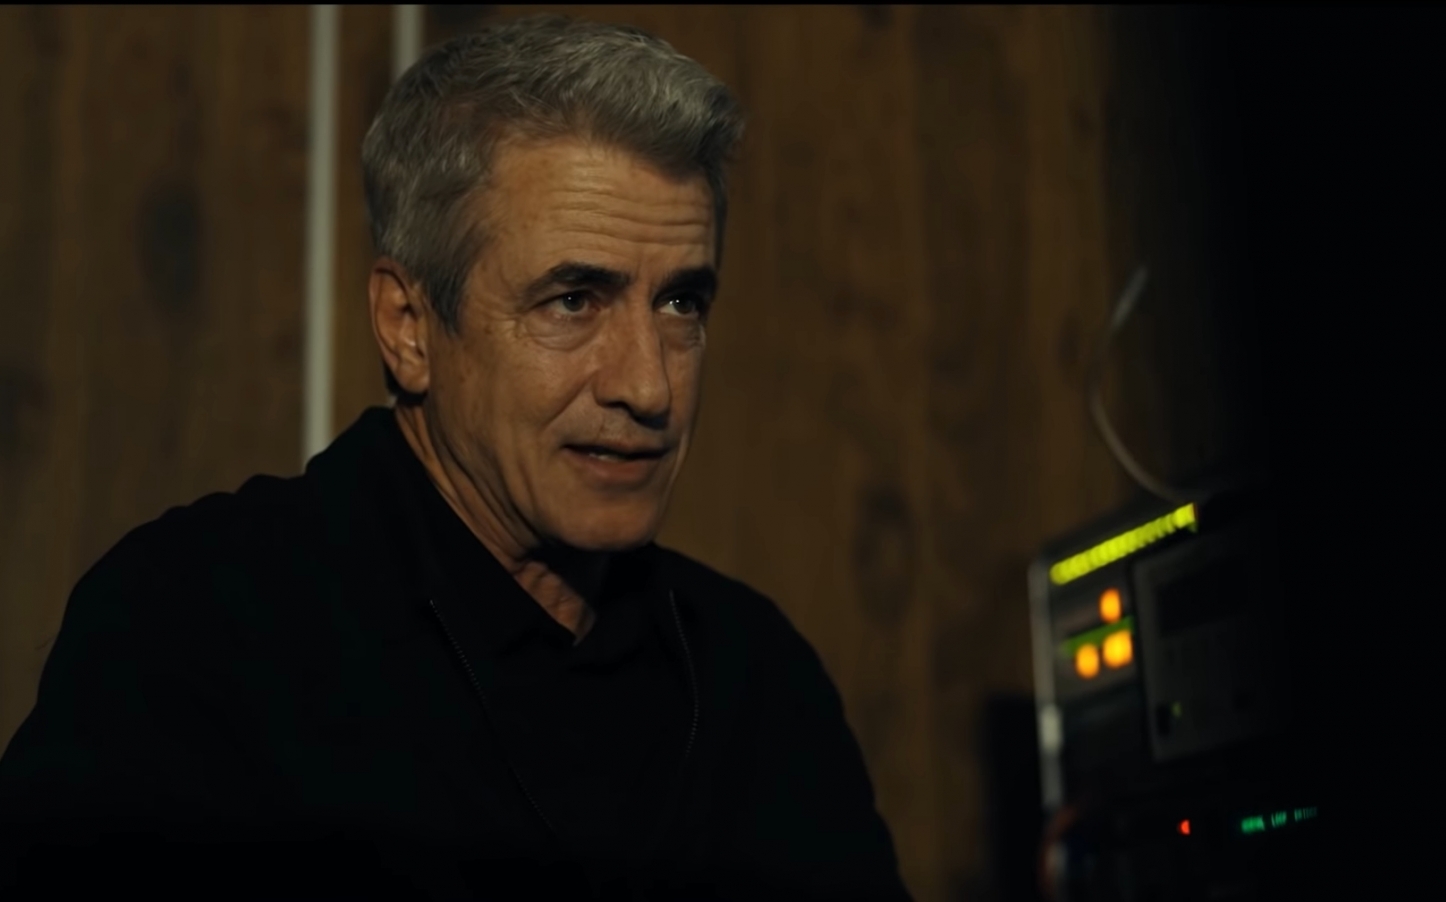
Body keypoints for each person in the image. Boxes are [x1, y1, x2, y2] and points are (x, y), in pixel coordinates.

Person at [0, 15, 910, 901]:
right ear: (408, 327)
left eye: (680, 304)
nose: (649, 385)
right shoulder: (194, 629)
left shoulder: (758, 680)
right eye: (572, 300)